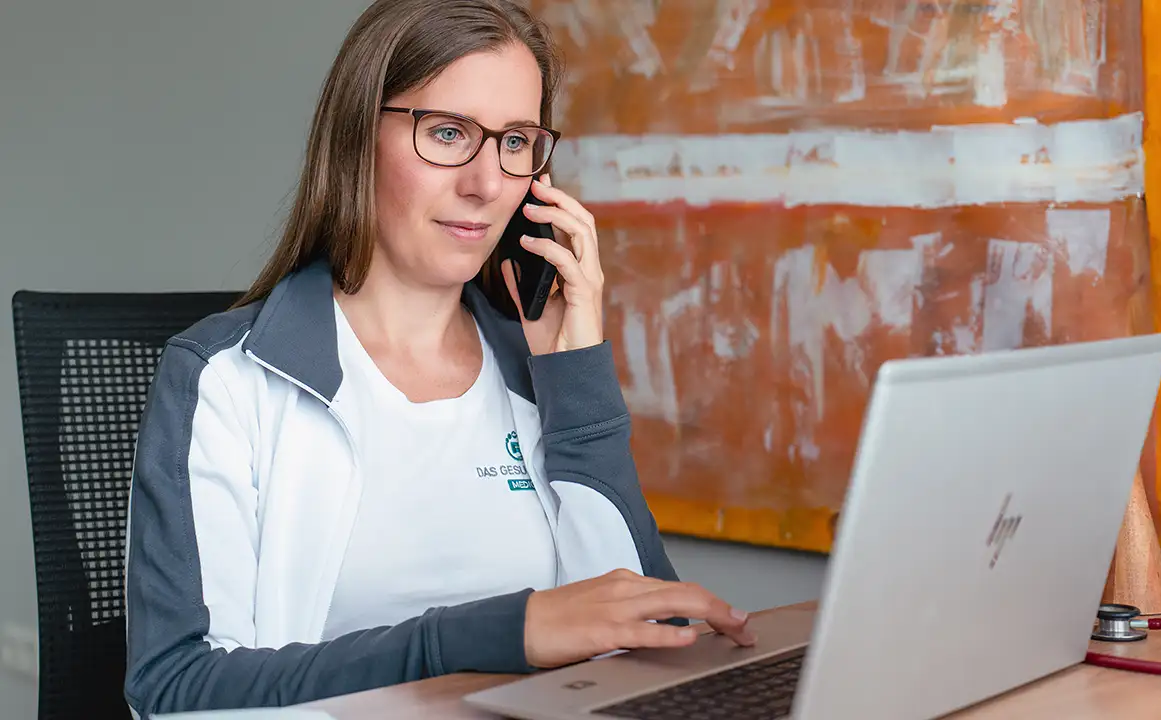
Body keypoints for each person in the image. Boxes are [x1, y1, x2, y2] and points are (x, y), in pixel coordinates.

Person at [121, 0, 755, 716]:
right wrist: (489, 636)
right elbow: (175, 690)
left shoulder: (536, 370)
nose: (486, 183)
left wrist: (577, 382)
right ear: (359, 136)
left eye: (515, 141)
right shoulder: (226, 378)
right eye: (449, 132)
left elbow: (652, 639)